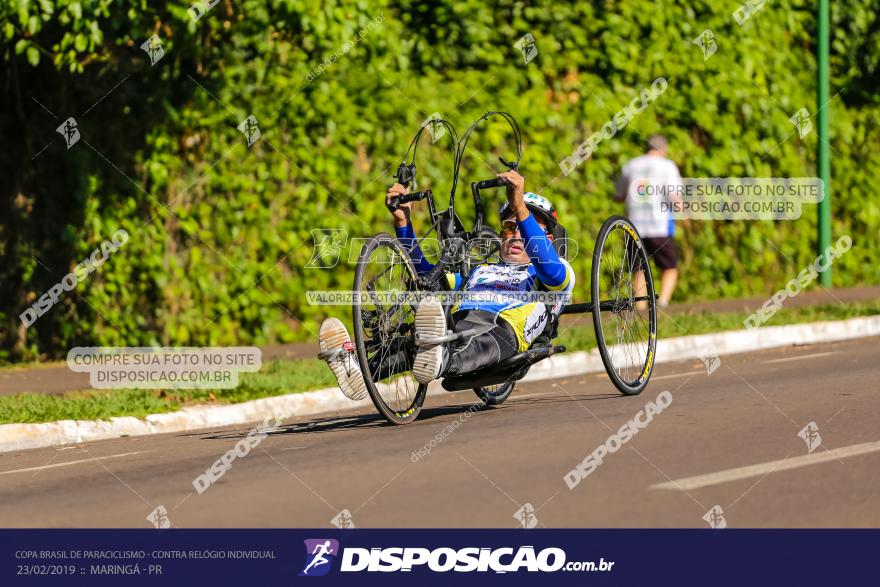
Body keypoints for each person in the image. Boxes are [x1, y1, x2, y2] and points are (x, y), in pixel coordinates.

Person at [318, 169, 574, 397]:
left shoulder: (559, 271)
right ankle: (358, 371)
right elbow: (428, 277)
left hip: (504, 330)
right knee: (421, 337)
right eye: (509, 227)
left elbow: (549, 268)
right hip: (458, 323)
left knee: (472, 341)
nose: (516, 234)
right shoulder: (480, 270)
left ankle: (440, 359)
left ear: (548, 239)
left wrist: (519, 208)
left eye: (523, 227)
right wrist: (403, 224)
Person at [614, 134, 683, 308]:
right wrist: (682, 209)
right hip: (659, 225)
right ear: (663, 149)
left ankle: (641, 307)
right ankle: (663, 302)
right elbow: (673, 194)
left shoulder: (630, 165)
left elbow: (619, 196)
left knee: (638, 269)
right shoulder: (667, 166)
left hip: (634, 225)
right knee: (670, 266)